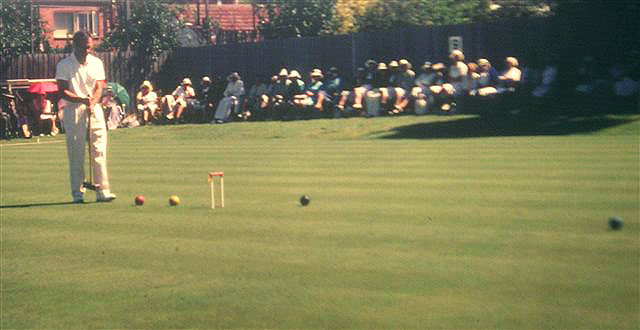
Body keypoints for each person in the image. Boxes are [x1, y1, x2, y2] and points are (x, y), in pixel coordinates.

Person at [56, 30, 116, 203]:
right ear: (75, 45)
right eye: (84, 47)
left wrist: (93, 101)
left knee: (99, 150)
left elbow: (99, 86)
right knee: (76, 153)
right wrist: (82, 99)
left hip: (94, 108)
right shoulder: (64, 65)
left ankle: (102, 190)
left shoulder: (96, 62)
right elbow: (63, 90)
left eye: (89, 47)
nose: (87, 51)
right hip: (74, 110)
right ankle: (77, 192)